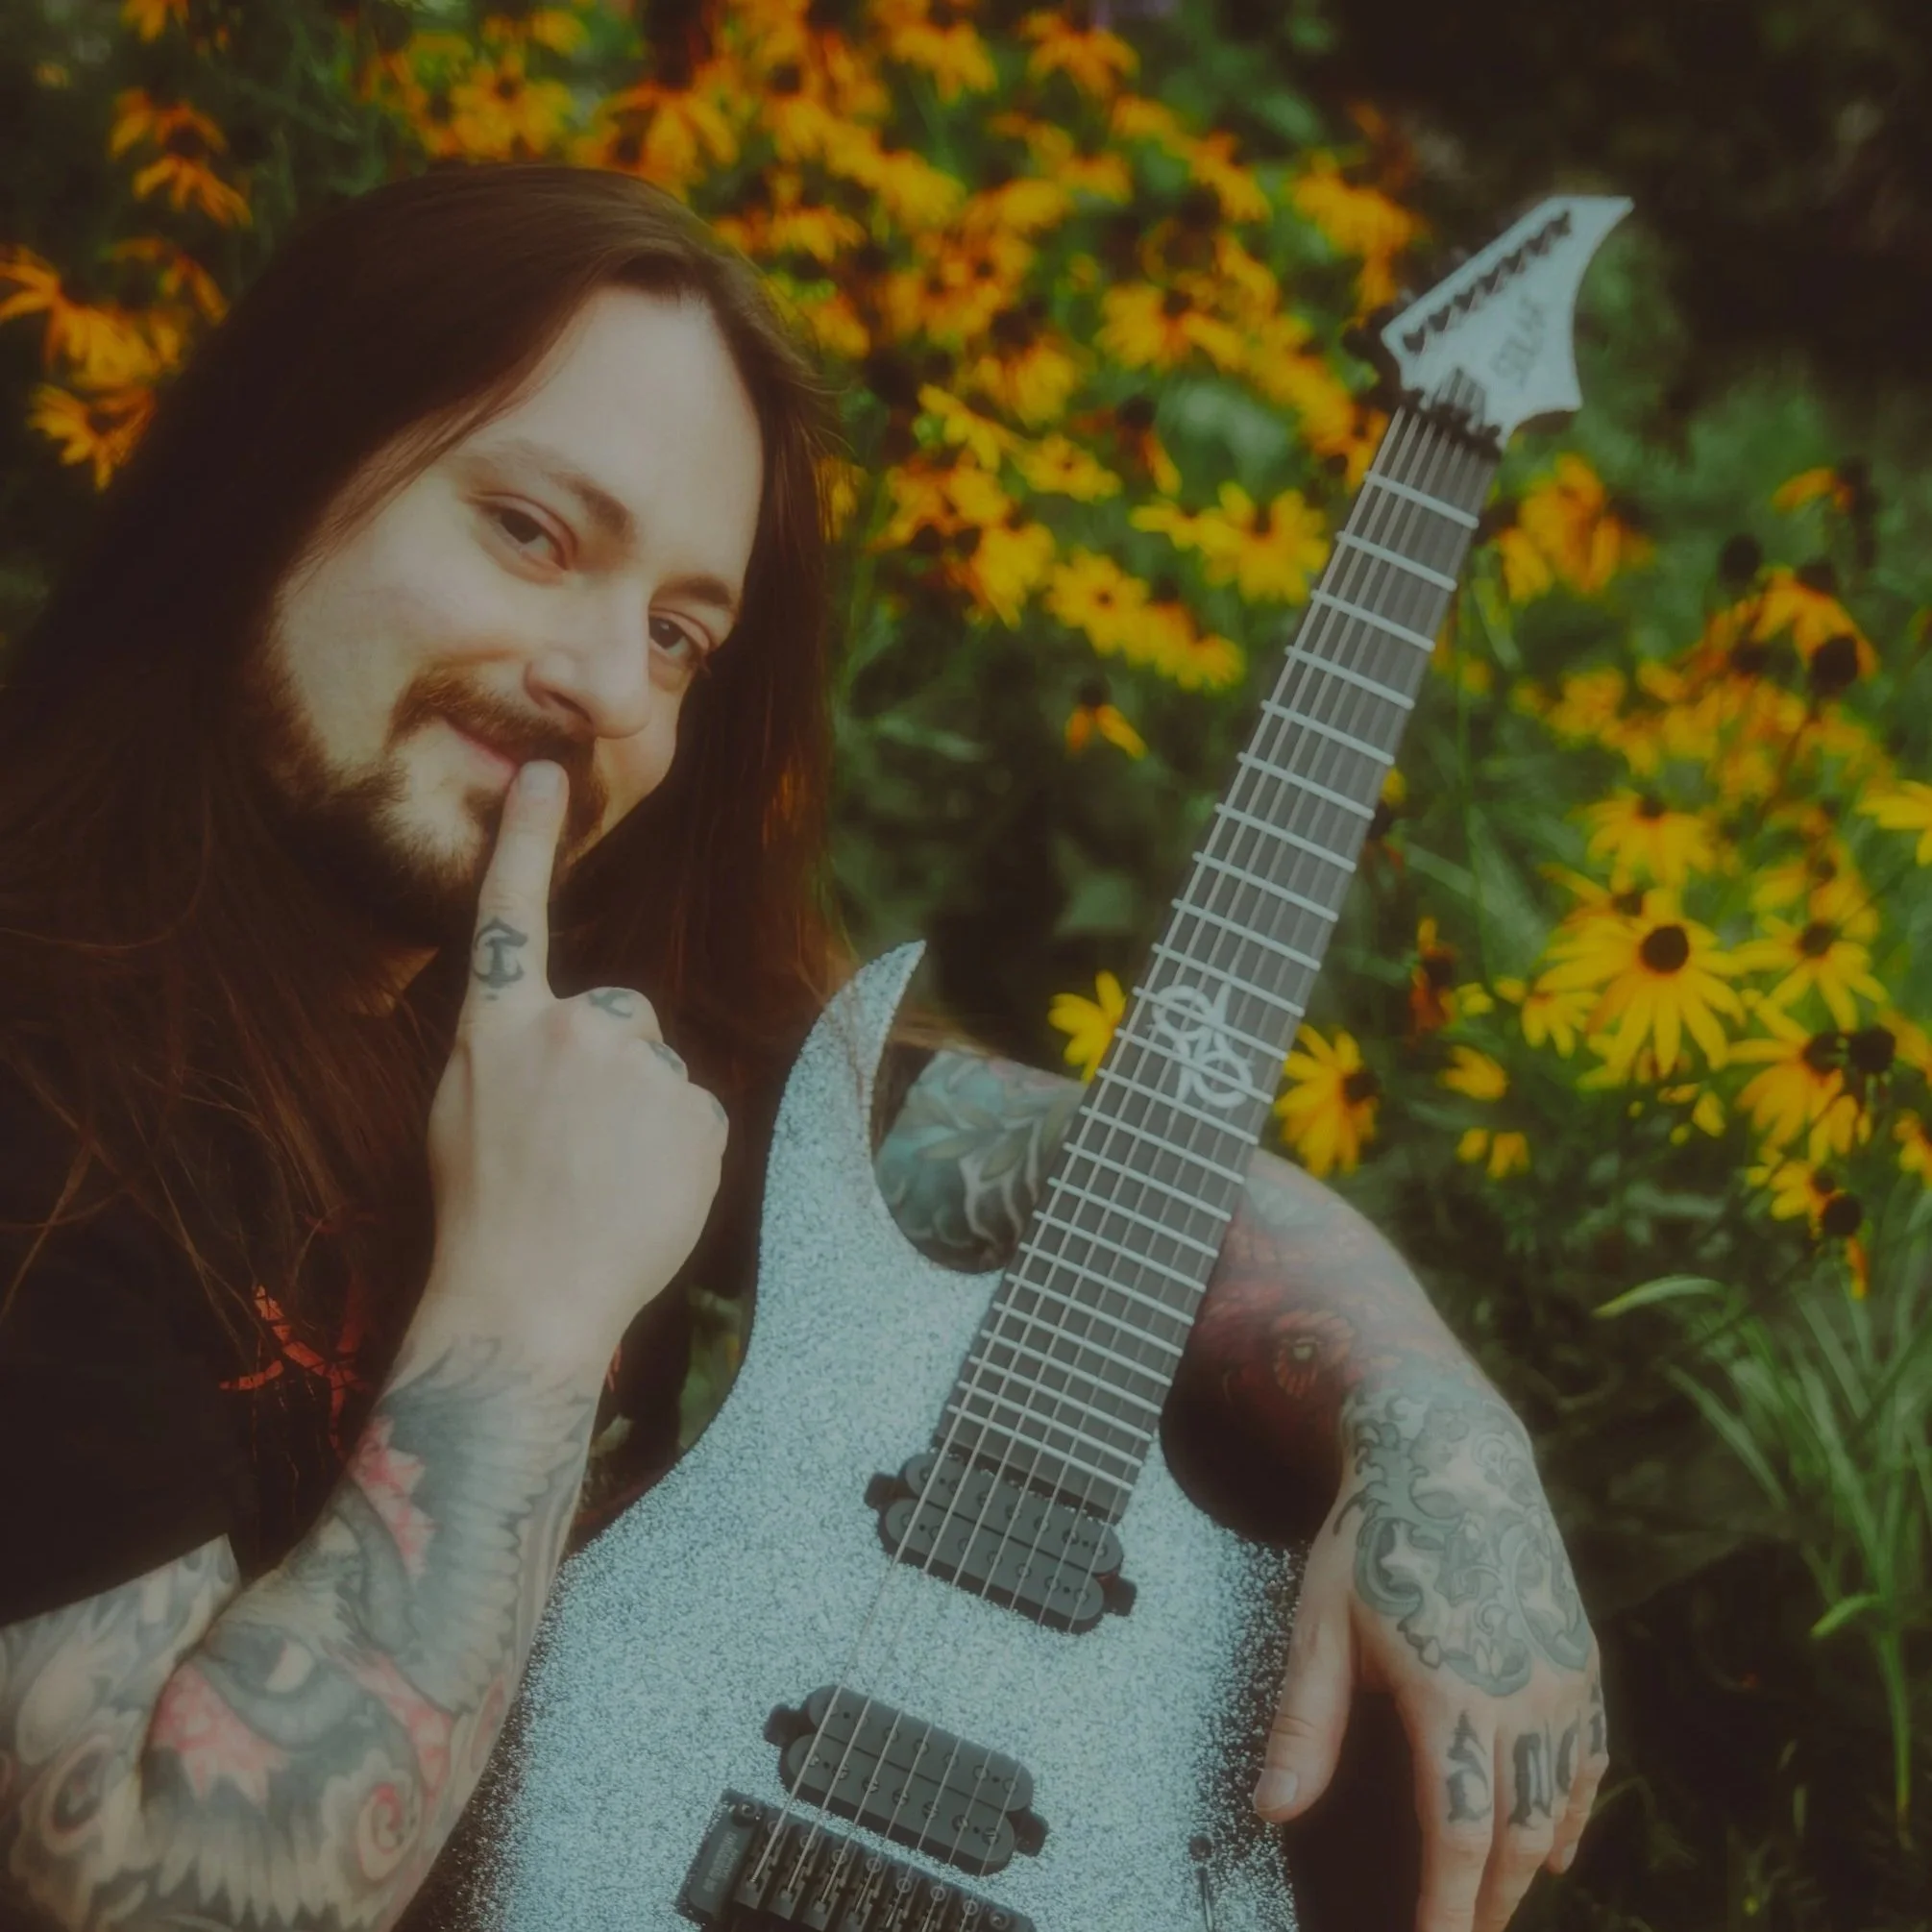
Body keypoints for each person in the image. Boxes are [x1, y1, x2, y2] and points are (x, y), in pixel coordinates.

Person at [0, 162, 1604, 1932]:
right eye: (532, 531)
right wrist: (529, 1313)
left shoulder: (600, 1005)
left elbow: (1121, 1159)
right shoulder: (38, 1104)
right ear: (274, 477)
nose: (611, 686)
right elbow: (149, 1899)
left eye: (683, 633)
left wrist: (1441, 1437)